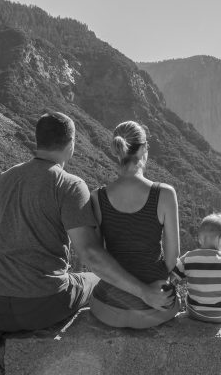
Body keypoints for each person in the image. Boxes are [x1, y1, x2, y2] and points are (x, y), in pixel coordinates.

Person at [0, 112, 172, 332]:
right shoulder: (69, 185)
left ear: (38, 140)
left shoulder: (3, 178)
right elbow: (91, 255)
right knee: (96, 281)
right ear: (71, 144)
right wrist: (144, 292)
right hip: (40, 305)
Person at [88, 121, 181, 328]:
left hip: (108, 308)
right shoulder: (164, 194)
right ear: (144, 148)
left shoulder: (97, 197)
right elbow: (172, 259)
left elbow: (98, 257)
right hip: (155, 308)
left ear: (116, 150)